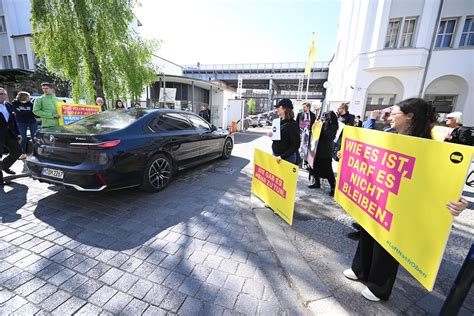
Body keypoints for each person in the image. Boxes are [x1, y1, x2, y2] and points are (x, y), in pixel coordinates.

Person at [343, 98, 469, 302]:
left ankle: (379, 287)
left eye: (395, 112)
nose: (390, 116)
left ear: (410, 116)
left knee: (388, 244)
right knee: (368, 231)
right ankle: (360, 270)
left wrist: (460, 202)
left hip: (402, 205)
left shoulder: (429, 147)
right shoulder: (387, 136)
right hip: (378, 197)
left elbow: (443, 181)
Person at [308, 111, 338, 196]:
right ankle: (317, 183)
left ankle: (333, 187)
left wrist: (321, 128)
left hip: (325, 151)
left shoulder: (333, 126)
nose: (323, 119)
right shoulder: (322, 124)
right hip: (317, 149)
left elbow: (328, 137)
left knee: (328, 170)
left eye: (325, 117)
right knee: (315, 167)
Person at [267, 99, 301, 164]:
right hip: (275, 155)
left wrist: (282, 156)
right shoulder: (277, 122)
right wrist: (272, 135)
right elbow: (279, 138)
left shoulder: (292, 124)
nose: (277, 109)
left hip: (287, 159)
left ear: (284, 108)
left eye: (278, 107)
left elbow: (296, 145)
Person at [0, 88, 22, 185]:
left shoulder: (8, 105)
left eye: (2, 93)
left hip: (9, 133)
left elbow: (13, 121)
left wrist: (18, 133)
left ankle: (4, 166)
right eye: (0, 94)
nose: (1, 95)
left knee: (17, 151)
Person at [12, 91, 37, 159]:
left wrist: (23, 112)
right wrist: (28, 112)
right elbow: (18, 113)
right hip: (21, 122)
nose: (29, 98)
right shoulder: (15, 103)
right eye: (28, 97)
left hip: (32, 121)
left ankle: (36, 153)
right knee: (23, 138)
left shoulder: (31, 103)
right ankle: (23, 153)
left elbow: (34, 113)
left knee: (34, 137)